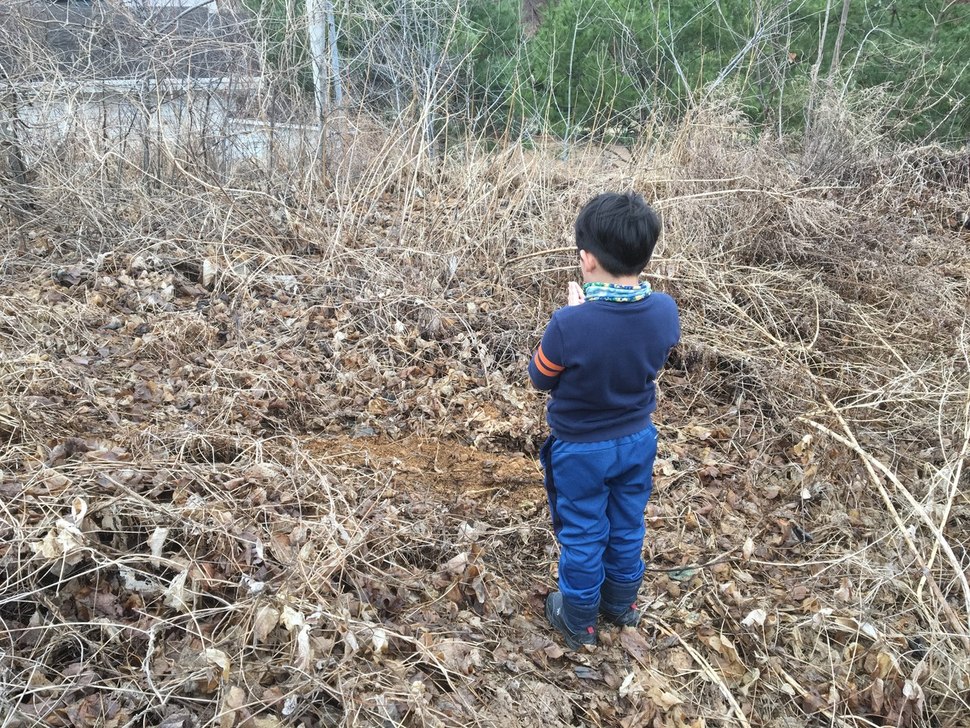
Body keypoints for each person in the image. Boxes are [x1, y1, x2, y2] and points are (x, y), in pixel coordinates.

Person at [528, 191, 680, 649]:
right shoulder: (665, 311)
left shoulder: (568, 324)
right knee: (627, 521)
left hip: (580, 449)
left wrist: (577, 316)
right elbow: (642, 348)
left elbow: (540, 375)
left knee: (583, 529)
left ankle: (577, 617)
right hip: (637, 439)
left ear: (586, 260)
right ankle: (620, 604)